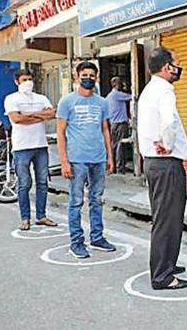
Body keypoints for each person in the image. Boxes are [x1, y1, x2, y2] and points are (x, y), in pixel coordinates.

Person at [138, 47, 187, 290]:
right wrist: (168, 144)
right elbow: (168, 121)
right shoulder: (165, 90)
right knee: (167, 219)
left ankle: (167, 263)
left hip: (153, 163)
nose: (179, 66)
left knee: (165, 217)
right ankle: (162, 275)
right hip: (166, 164)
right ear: (166, 67)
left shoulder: (149, 89)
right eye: (176, 62)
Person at [57, 61, 116, 259]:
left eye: (92, 75)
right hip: (77, 160)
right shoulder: (67, 102)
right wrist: (64, 161)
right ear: (76, 77)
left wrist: (110, 156)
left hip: (98, 158)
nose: (88, 79)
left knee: (96, 200)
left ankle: (97, 237)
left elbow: (105, 129)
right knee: (76, 201)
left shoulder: (101, 102)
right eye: (85, 75)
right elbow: (60, 132)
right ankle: (76, 242)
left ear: (97, 78)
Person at [4, 69, 57, 231]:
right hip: (21, 148)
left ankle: (41, 216)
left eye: (30, 79)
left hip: (41, 146)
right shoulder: (12, 98)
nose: (28, 82)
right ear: (17, 82)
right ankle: (25, 218)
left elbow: (53, 113)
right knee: (24, 184)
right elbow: (17, 119)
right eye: (24, 79)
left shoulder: (41, 98)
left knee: (42, 182)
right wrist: (40, 116)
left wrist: (30, 115)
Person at [105, 77, 132, 173]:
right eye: (120, 84)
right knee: (121, 145)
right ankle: (120, 167)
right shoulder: (118, 95)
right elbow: (132, 96)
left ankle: (114, 166)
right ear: (116, 85)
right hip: (120, 123)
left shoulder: (108, 97)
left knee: (115, 145)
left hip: (113, 123)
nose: (122, 85)